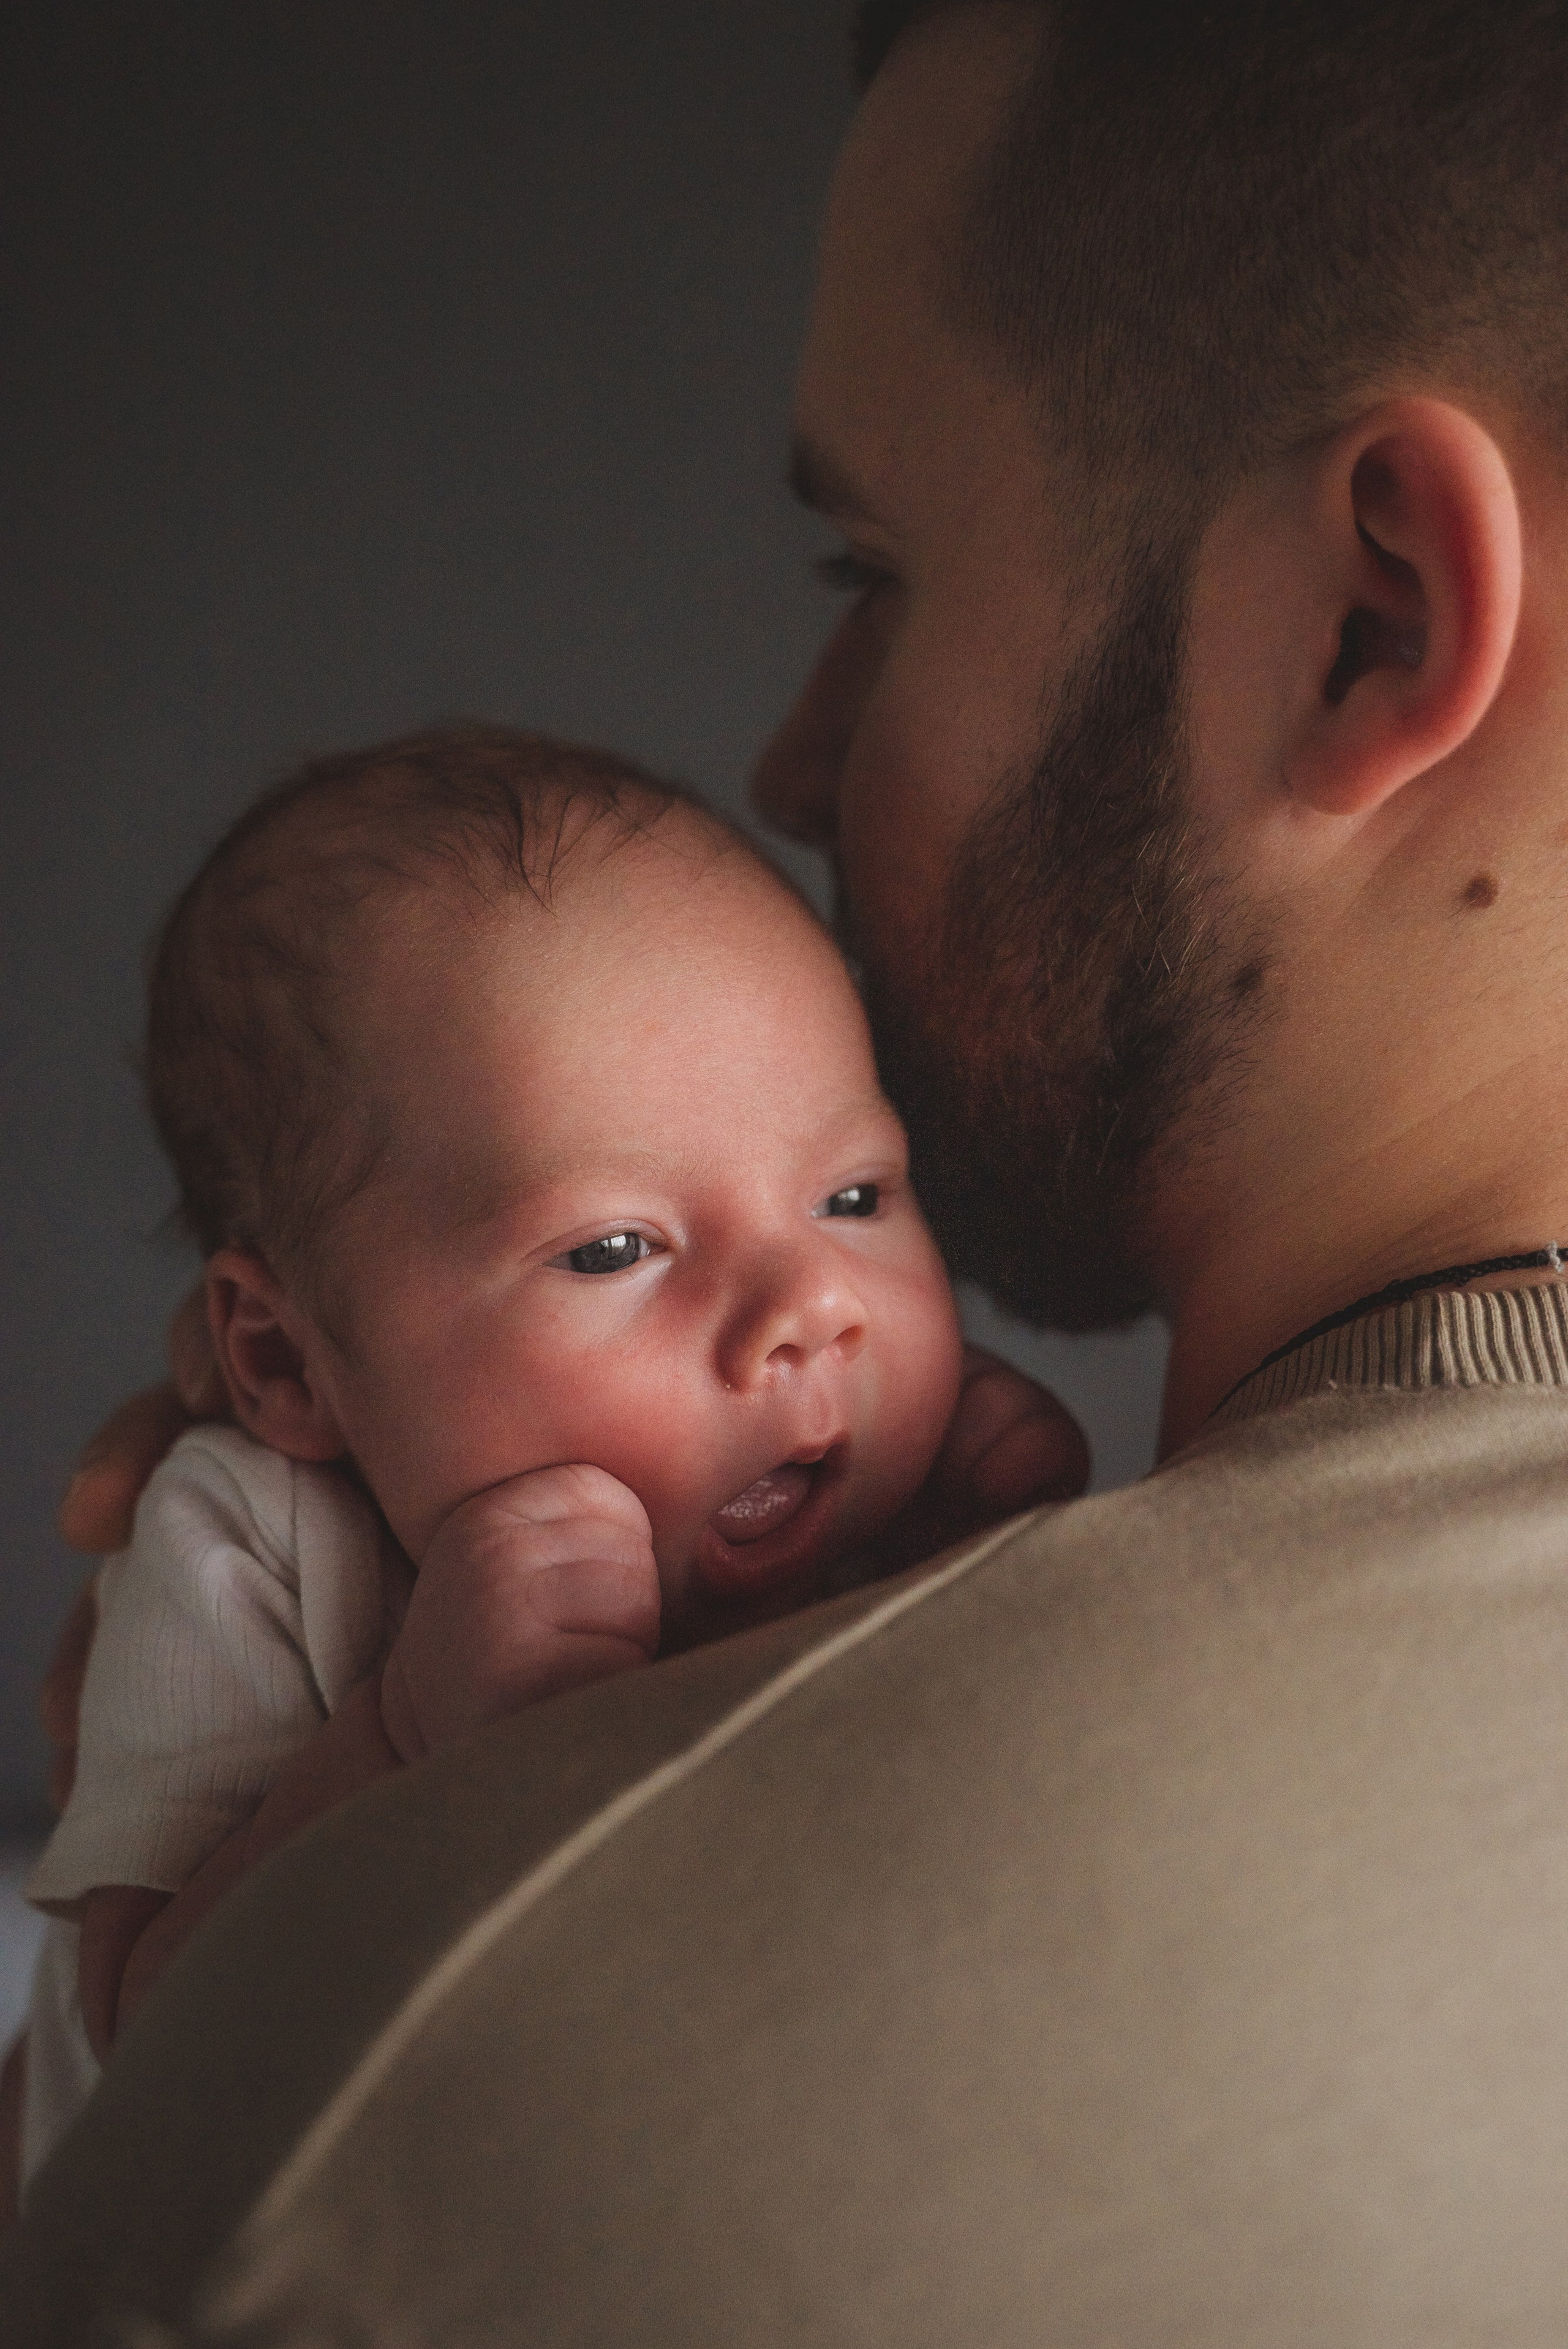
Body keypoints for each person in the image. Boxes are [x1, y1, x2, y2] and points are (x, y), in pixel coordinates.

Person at [7, 0, 1568, 2337]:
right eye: (619, 1242)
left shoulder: (418, 2133)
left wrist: (371, 1916)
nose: (794, 759)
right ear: (286, 1344)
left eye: (872, 573)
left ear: (1376, 616)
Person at [4, 723, 1084, 2198]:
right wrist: (397, 1741)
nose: (807, 1311)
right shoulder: (251, 1545)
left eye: (851, 1193)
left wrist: (982, 1547)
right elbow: (137, 2041)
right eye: (614, 1247)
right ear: (281, 1360)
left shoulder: (884, 1509)